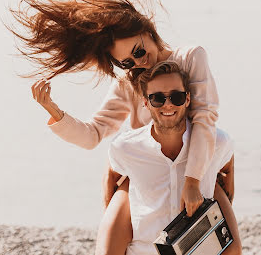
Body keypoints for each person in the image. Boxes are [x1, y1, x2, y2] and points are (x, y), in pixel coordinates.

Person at [8, 0, 227, 253]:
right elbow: (93, 135)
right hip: (144, 173)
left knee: (231, 246)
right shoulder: (128, 83)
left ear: (147, 30)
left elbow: (206, 118)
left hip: (193, 166)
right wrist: (53, 110)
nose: (139, 62)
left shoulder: (191, 58)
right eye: (127, 62)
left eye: (138, 51)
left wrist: (193, 181)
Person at [101, 61, 241, 255]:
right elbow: (112, 177)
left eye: (176, 97)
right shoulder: (126, 148)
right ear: (146, 102)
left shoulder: (217, 142)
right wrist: (113, 223)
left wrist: (224, 201)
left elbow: (227, 166)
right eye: (158, 98)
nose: (167, 104)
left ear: (188, 99)